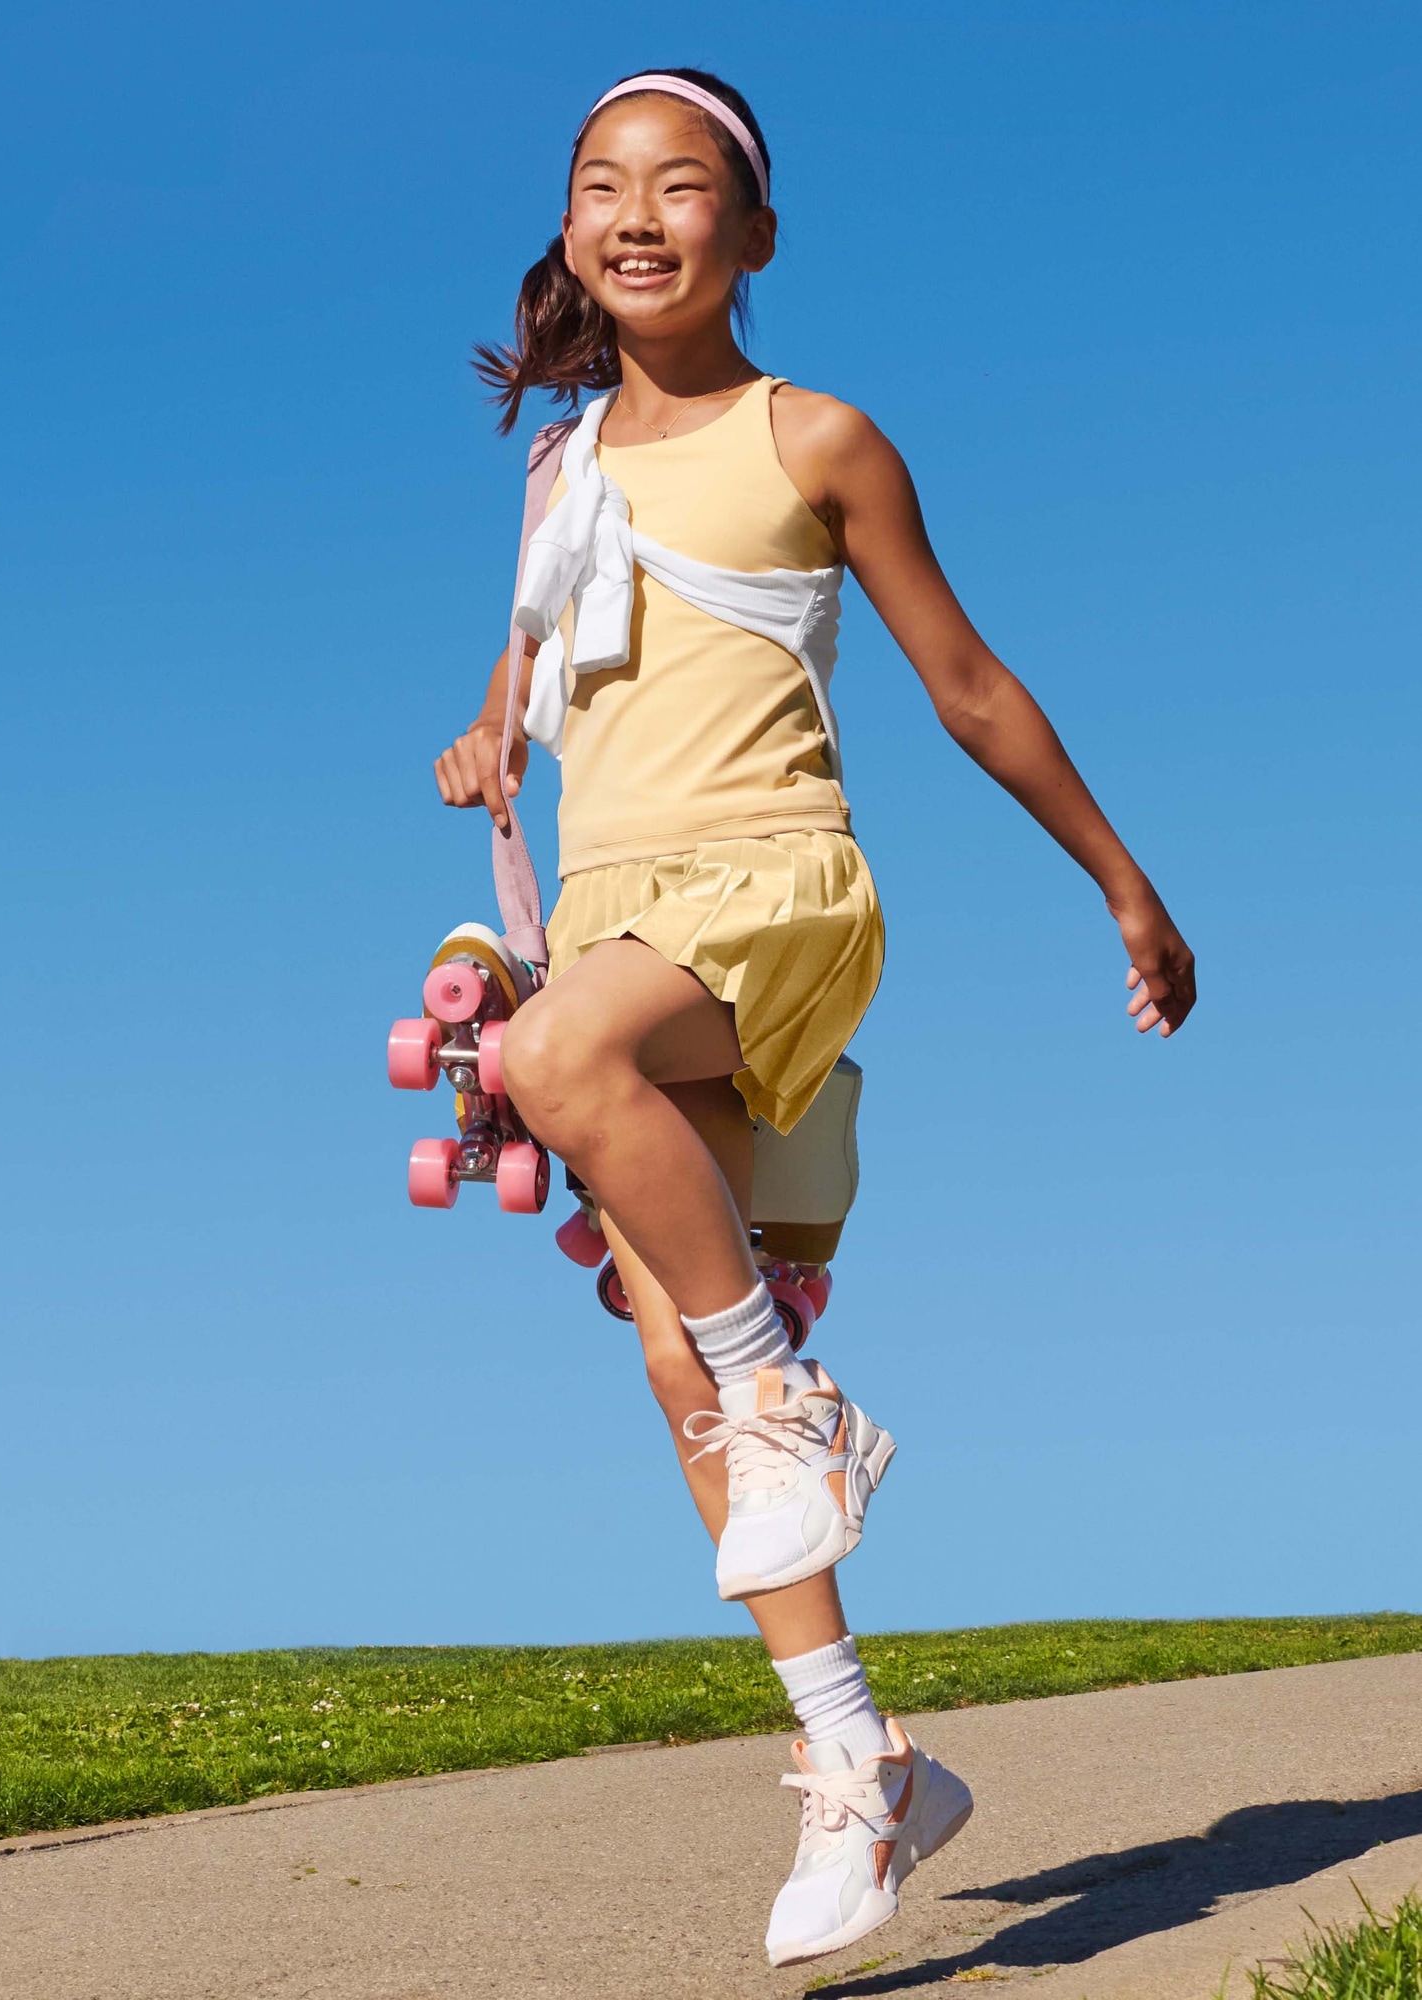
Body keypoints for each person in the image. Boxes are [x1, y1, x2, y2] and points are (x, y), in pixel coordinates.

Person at [435, 67, 1196, 1968]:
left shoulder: (817, 438)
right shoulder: (556, 471)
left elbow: (966, 681)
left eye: (681, 187)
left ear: (751, 236)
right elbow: (529, 678)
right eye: (602, 185)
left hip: (772, 892)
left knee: (570, 1074)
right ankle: (865, 1765)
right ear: (571, 230)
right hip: (612, 915)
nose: (636, 213)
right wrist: (483, 732)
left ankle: (791, 1394)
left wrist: (1121, 879)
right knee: (668, 1378)